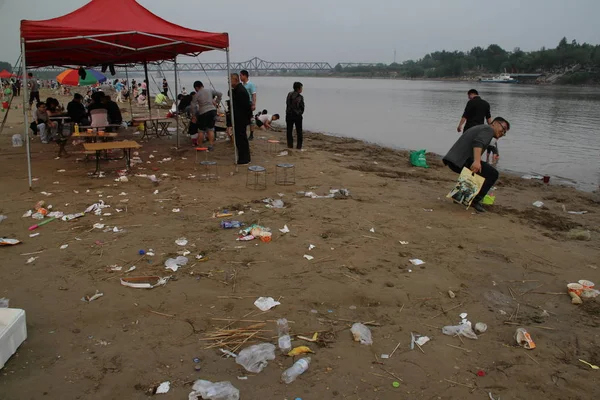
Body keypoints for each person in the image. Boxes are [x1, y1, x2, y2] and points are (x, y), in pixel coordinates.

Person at [443, 117, 510, 213]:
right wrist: (477, 161)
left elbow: (480, 143)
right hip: (460, 160)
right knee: (492, 174)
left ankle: (461, 196)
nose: (503, 133)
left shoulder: (483, 128)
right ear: (495, 123)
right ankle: (475, 201)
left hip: (454, 159)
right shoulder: (488, 129)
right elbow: (478, 142)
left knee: (478, 170)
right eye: (503, 129)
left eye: (505, 132)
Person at [189, 80, 222, 149]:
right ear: (202, 85)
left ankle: (200, 146)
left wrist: (194, 115)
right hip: (213, 111)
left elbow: (193, 106)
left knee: (201, 130)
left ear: (196, 88)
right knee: (210, 129)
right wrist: (217, 102)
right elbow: (220, 94)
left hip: (203, 112)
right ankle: (211, 145)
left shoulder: (196, 95)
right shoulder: (209, 90)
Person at [229, 73, 252, 164]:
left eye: (230, 80)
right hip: (239, 118)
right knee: (240, 139)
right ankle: (243, 157)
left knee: (241, 139)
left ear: (235, 80)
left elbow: (245, 106)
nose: (229, 82)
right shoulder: (237, 90)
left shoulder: (240, 91)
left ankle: (244, 158)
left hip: (241, 118)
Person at [286, 81, 305, 150]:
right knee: (299, 131)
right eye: (301, 88)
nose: (302, 89)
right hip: (297, 116)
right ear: (298, 88)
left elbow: (287, 103)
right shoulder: (300, 97)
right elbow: (302, 107)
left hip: (288, 115)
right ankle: (299, 147)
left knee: (289, 131)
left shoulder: (289, 94)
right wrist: (299, 113)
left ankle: (290, 145)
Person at [240, 70, 257, 140]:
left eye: (240, 75)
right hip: (242, 104)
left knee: (250, 119)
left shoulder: (251, 84)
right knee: (242, 119)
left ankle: (251, 134)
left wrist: (253, 104)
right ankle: (243, 133)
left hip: (248, 104)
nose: (240, 77)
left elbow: (254, 95)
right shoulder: (241, 85)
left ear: (245, 76)